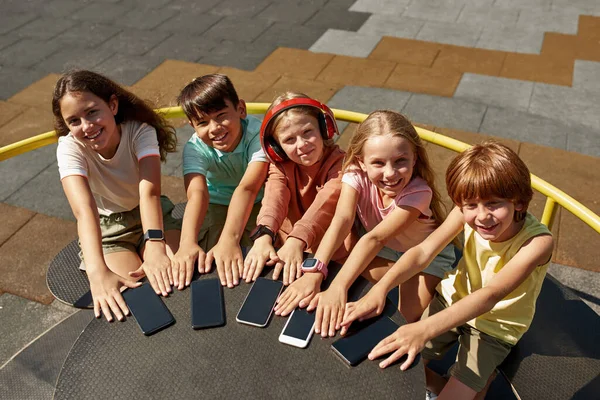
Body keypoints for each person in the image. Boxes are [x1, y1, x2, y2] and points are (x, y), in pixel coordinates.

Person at [342, 141, 554, 400]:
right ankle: (454, 384)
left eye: (494, 204)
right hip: (451, 299)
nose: (482, 216)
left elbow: (491, 294)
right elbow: (423, 252)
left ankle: (477, 379)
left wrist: (423, 329)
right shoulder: (464, 211)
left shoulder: (538, 242)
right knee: (400, 363)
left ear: (519, 202)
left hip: (495, 326)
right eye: (471, 205)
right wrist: (381, 288)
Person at [277, 110, 456, 331]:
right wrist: (315, 270)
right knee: (348, 280)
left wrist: (338, 287)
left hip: (423, 254)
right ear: (361, 162)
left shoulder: (419, 192)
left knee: (407, 313)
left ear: (415, 158)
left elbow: (376, 238)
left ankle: (446, 290)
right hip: (384, 250)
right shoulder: (354, 173)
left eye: (400, 161)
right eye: (378, 163)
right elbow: (342, 219)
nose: (390, 174)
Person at [53, 70, 181, 322]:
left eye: (92, 112)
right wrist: (96, 271)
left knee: (180, 273)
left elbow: (150, 191)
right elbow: (84, 211)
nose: (87, 126)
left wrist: (155, 244)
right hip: (110, 231)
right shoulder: (69, 147)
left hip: (151, 215)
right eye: (74, 121)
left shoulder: (140, 132)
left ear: (112, 105)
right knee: (135, 297)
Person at [243, 92, 353, 292]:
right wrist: (264, 233)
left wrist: (296, 241)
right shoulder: (281, 165)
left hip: (331, 253)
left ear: (324, 129)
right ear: (277, 148)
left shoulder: (342, 165)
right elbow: (274, 197)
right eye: (289, 140)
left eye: (307, 132)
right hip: (289, 247)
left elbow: (326, 203)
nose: (302, 144)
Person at [172, 74, 268, 289]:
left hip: (259, 200)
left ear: (241, 109)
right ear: (192, 125)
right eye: (203, 122)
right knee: (205, 258)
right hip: (216, 203)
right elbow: (197, 194)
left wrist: (229, 238)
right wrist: (187, 243)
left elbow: (249, 187)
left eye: (221, 115)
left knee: (261, 253)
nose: (214, 128)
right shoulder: (195, 148)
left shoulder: (258, 135)